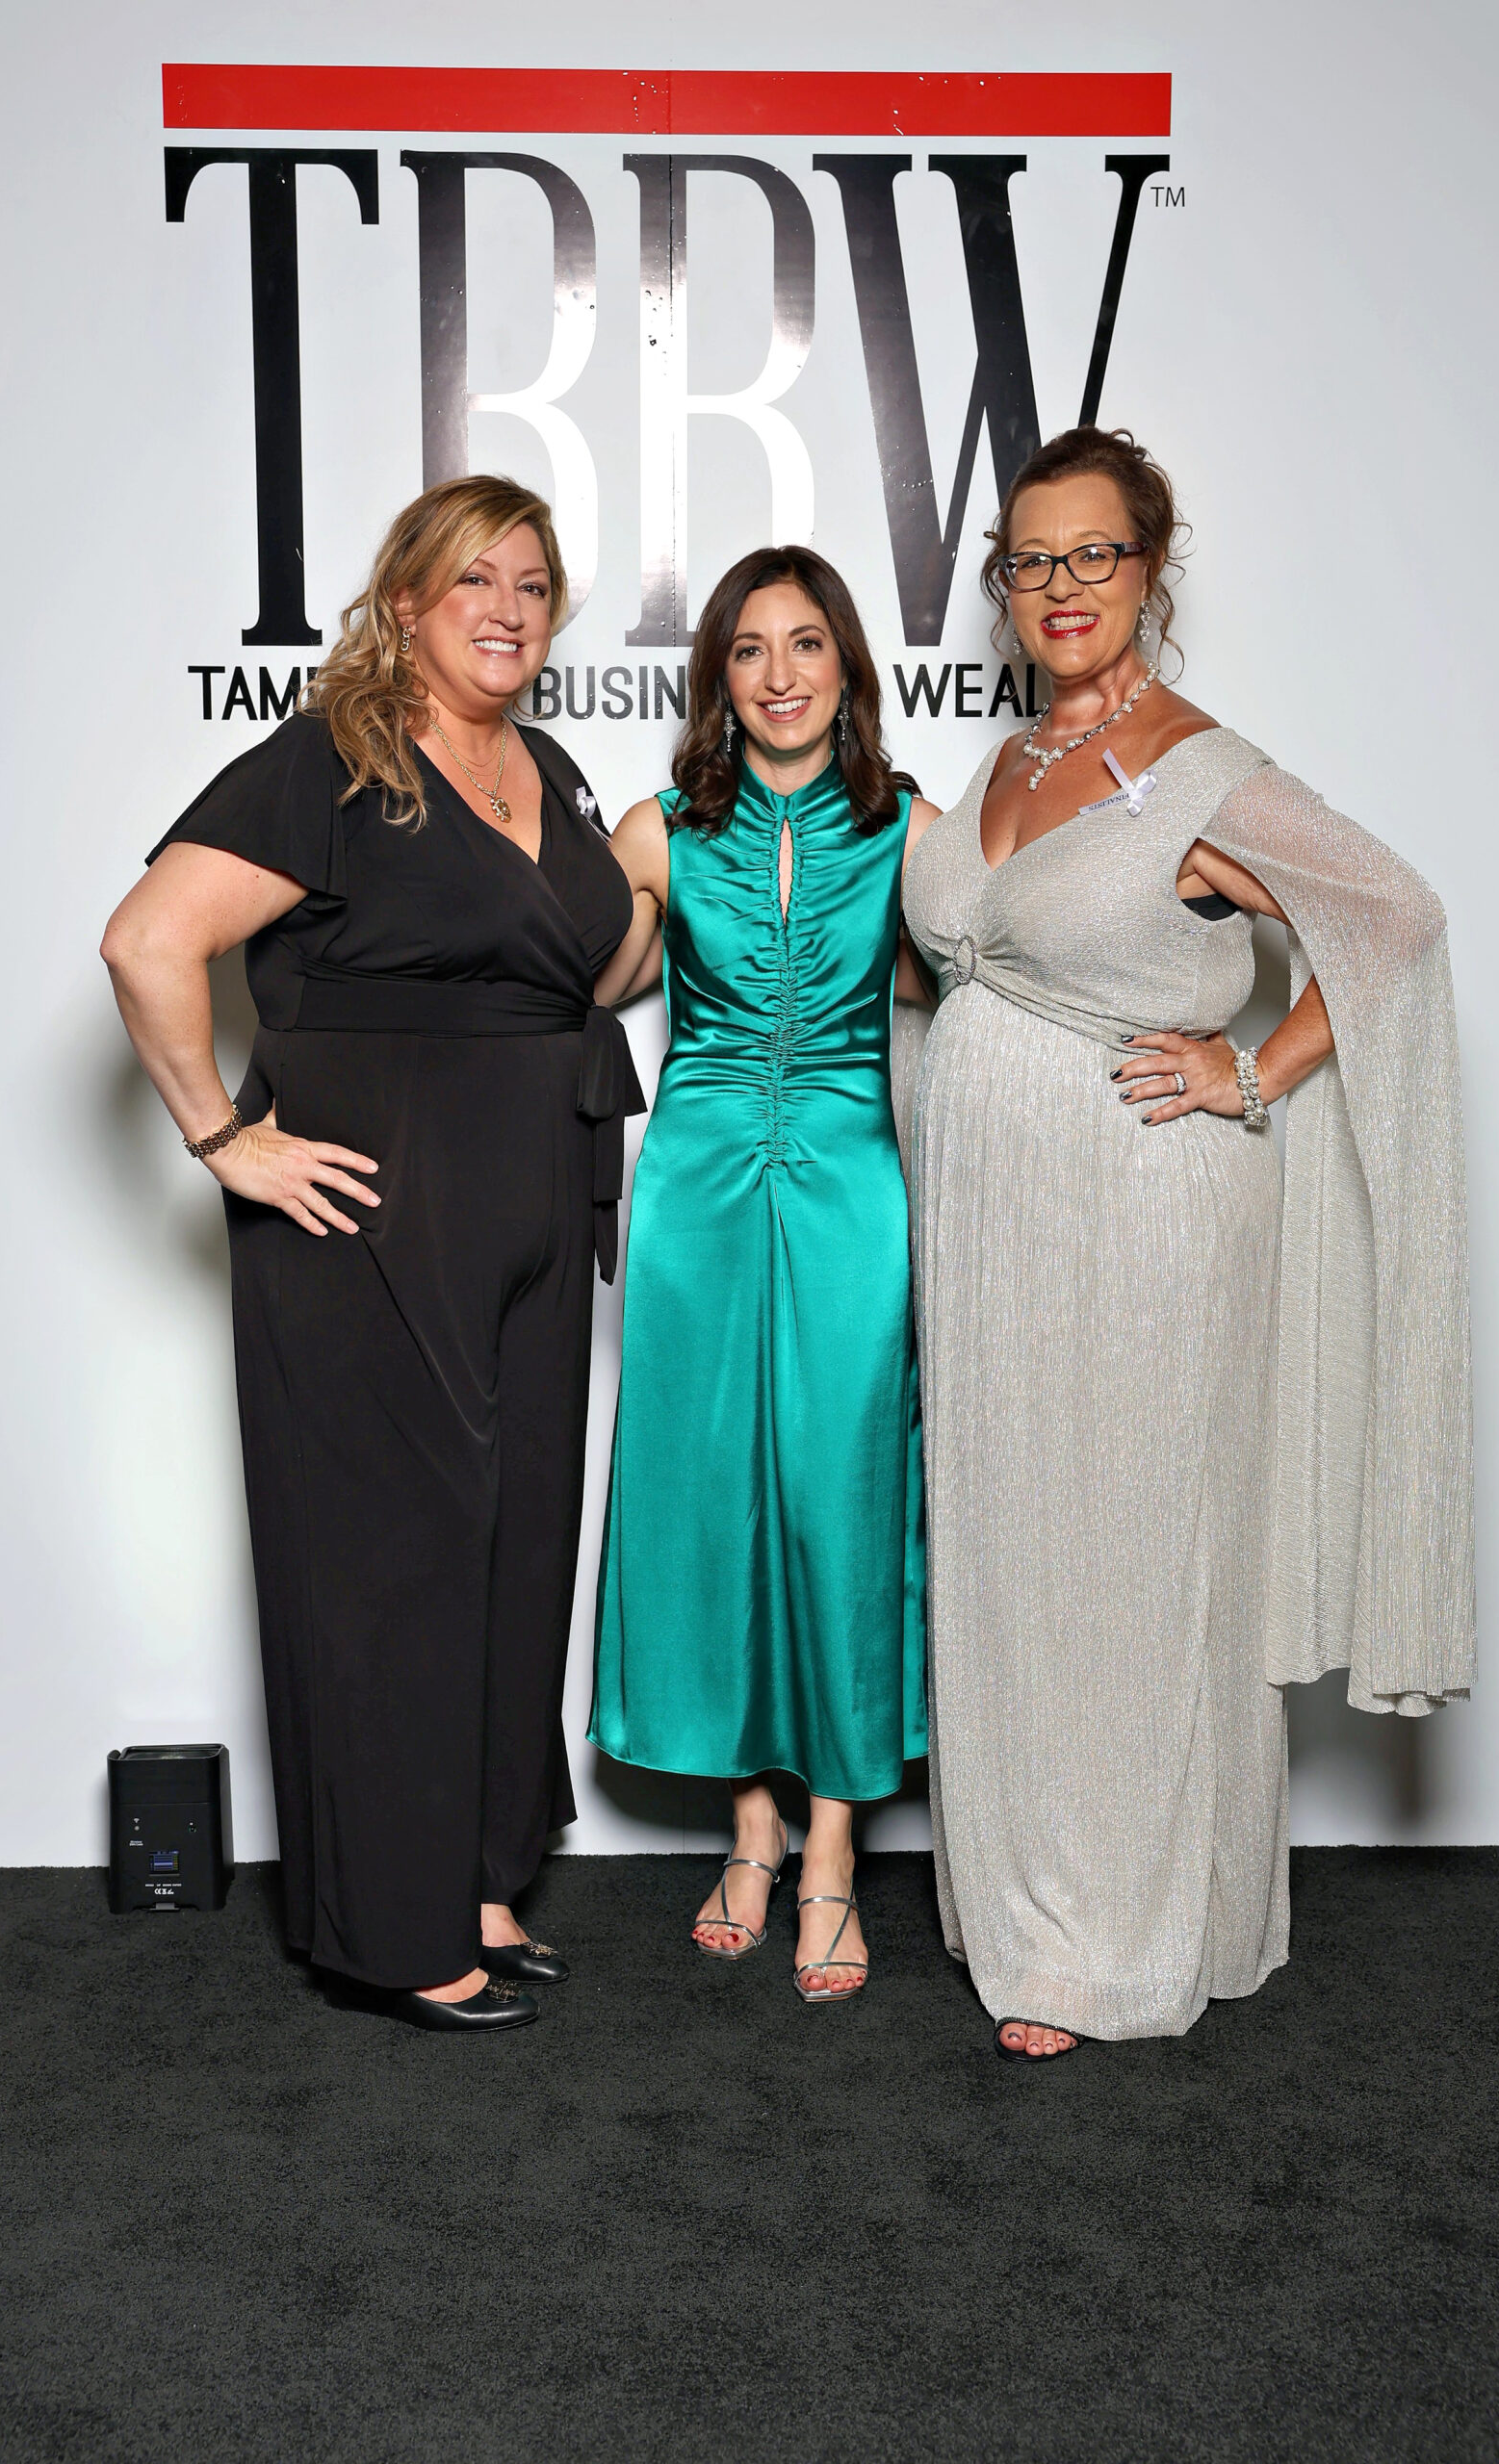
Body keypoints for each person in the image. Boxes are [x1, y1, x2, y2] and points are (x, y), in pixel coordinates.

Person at [902, 426, 1474, 2060]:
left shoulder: (1203, 770)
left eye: (1094, 553)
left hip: (1149, 1214)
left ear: (1150, 568)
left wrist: (1253, 1069)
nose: (1060, 585)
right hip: (996, 1239)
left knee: (1141, 1563)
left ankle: (1123, 1945)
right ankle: (1033, 1906)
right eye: (1031, 559)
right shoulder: (1008, 767)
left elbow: (1395, 919)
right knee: (1016, 1559)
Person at [101, 476, 639, 2034]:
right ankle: (395, 1931)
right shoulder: (332, 762)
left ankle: (477, 1880)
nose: (508, 609)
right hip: (376, 1221)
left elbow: (580, 964)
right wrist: (223, 1135)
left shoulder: (546, 768)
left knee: (517, 1542)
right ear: (405, 602)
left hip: (536, 1202)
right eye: (475, 579)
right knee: (392, 1561)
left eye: (533, 585)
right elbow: (148, 939)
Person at [590, 547, 936, 2003]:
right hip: (699, 1185)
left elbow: (976, 985)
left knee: (844, 1489)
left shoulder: (913, 826)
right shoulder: (660, 826)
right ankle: (753, 1829)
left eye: (805, 644)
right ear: (716, 678)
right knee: (708, 1485)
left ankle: (836, 1847)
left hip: (855, 1184)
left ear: (847, 664)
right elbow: (582, 983)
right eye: (748, 649)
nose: (780, 675)